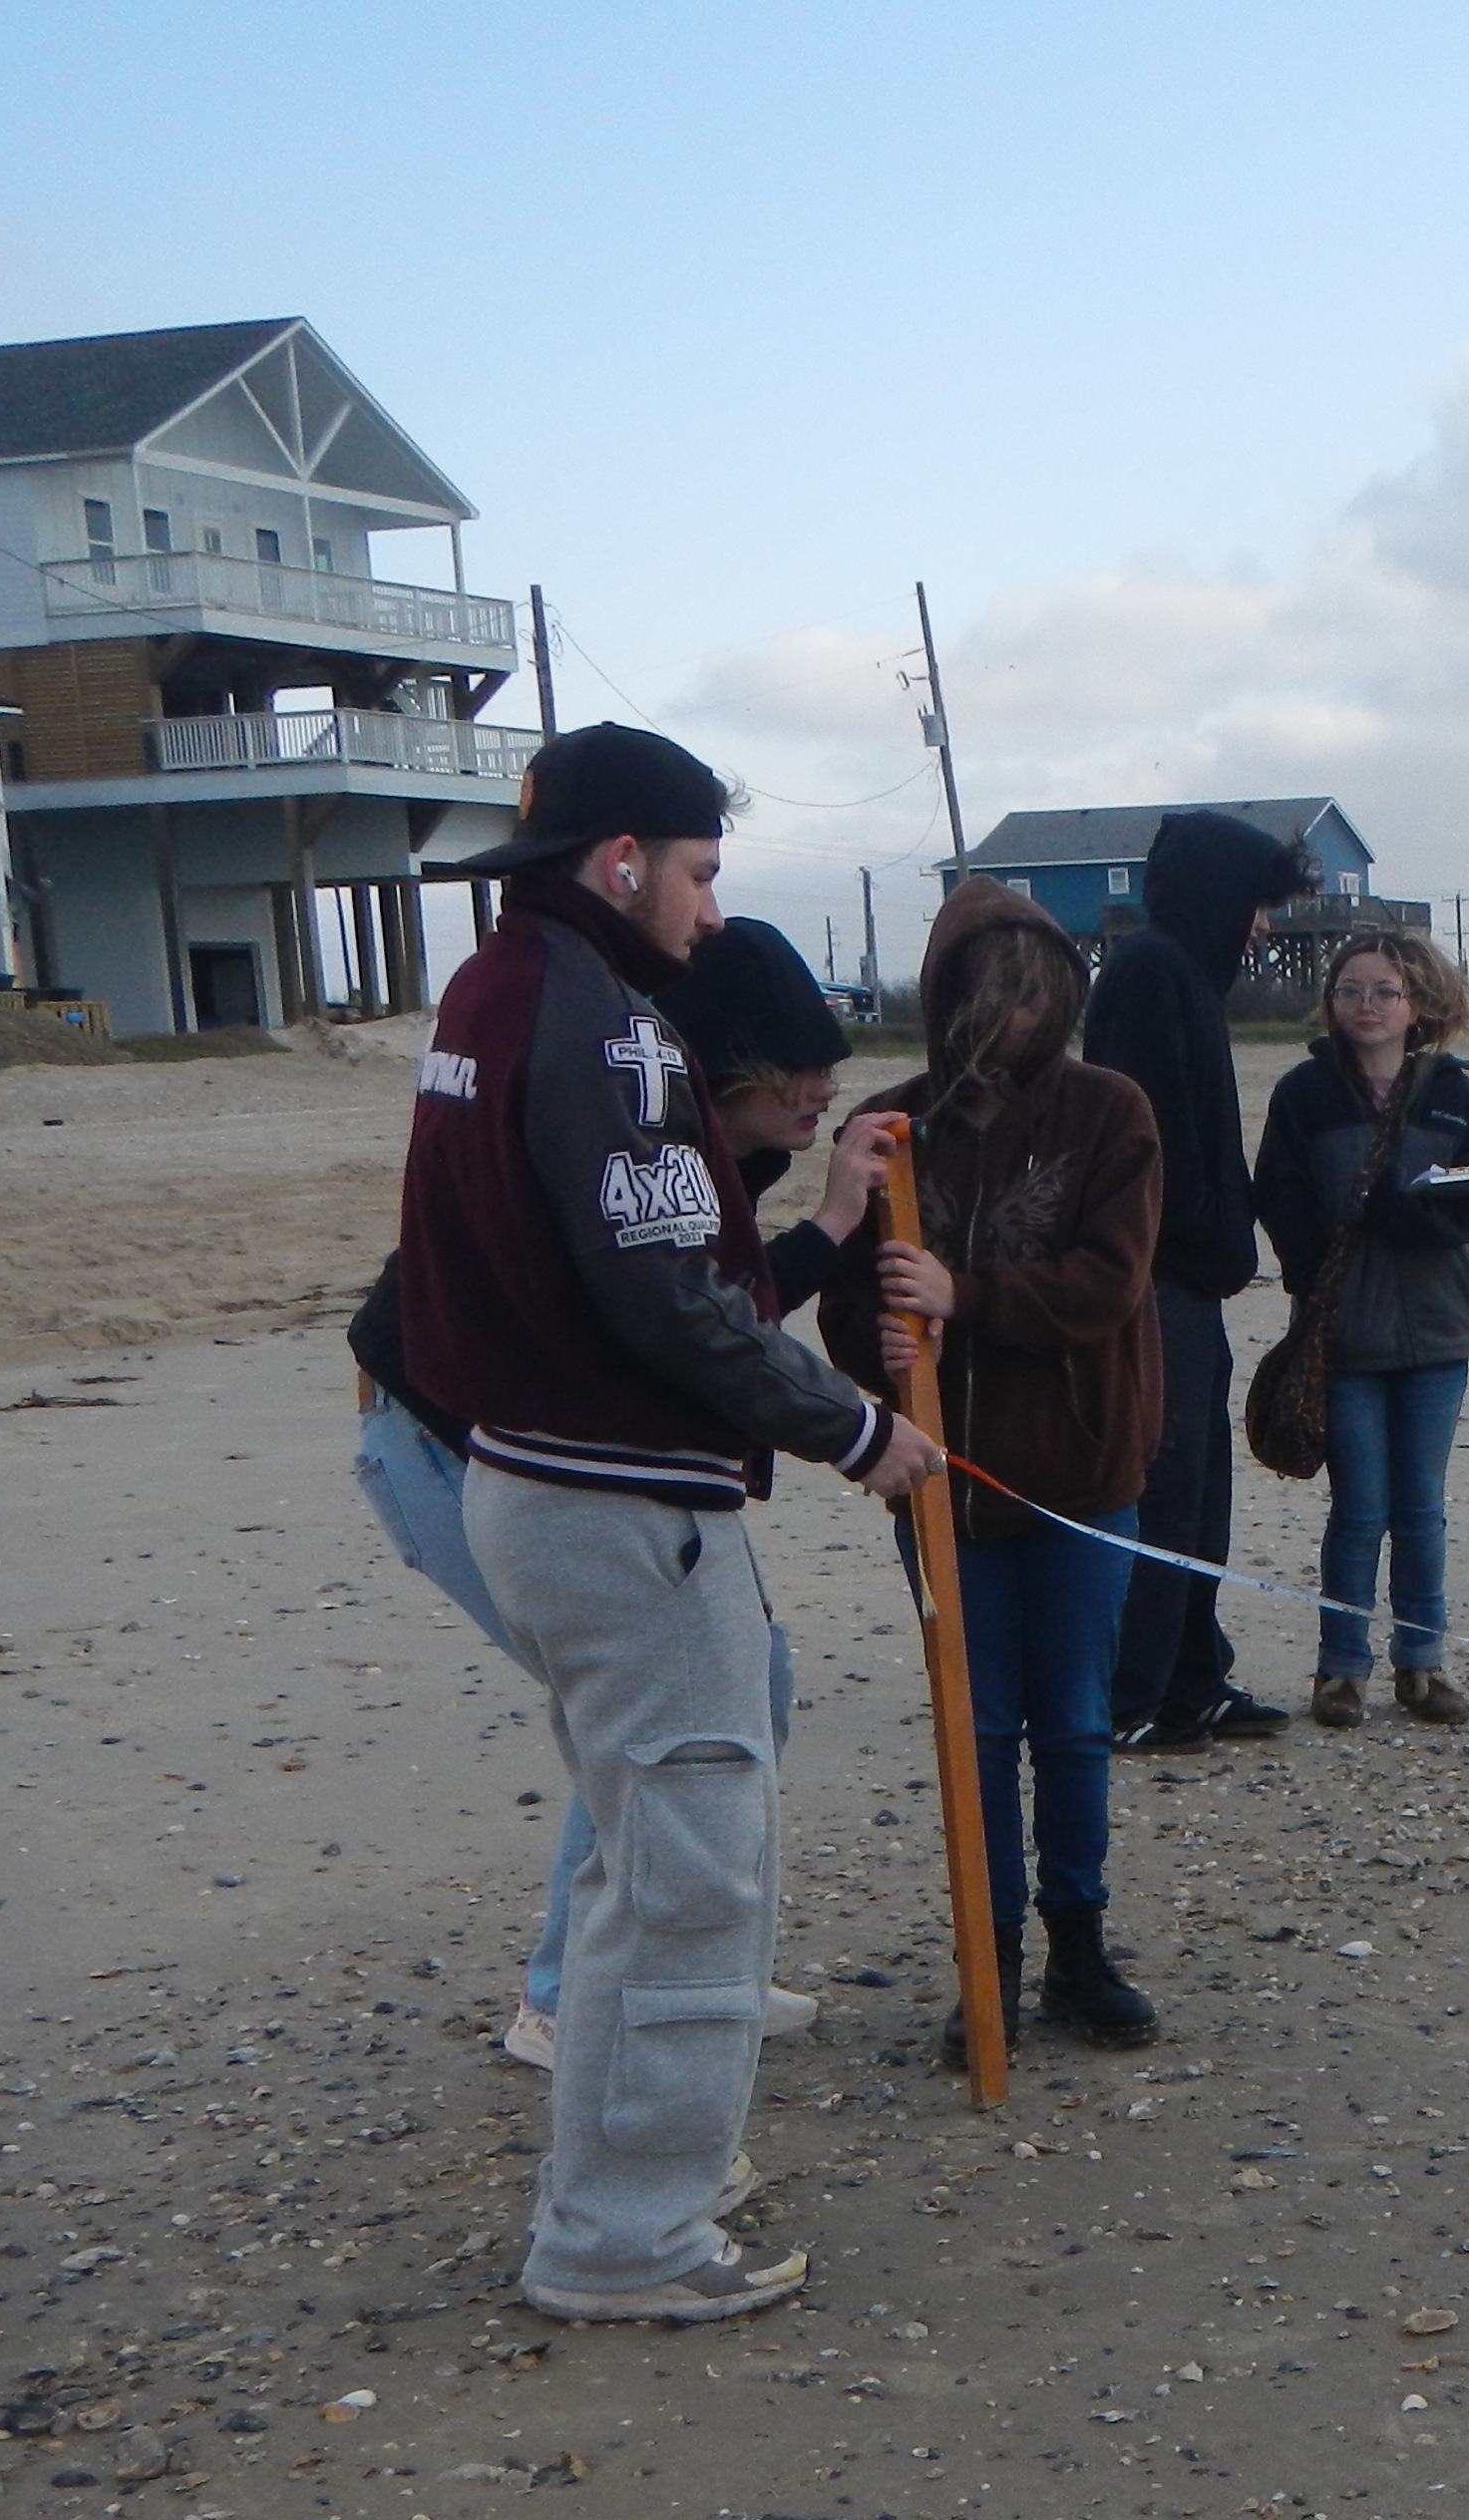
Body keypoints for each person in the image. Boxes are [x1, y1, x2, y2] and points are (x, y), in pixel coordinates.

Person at [386, 724, 940, 2327]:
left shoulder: (488, 992)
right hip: (618, 1505)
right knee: (694, 1871)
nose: (709, 913)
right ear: (620, 862)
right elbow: (673, 1296)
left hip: (526, 1478)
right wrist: (850, 1429)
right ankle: (628, 2238)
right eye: (699, 873)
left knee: (645, 1861)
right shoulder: (609, 1026)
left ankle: (612, 2206)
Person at [348, 916, 871, 2069]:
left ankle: (683, 1972)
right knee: (640, 1718)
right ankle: (567, 1994)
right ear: (734, 1058)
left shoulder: (723, 1150)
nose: (829, 1083)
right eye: (806, 1060)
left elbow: (717, 1313)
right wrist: (859, 1425)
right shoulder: (615, 1128)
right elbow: (681, 1329)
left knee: (732, 1684)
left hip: (504, 1451)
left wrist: (830, 1222)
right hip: (446, 1447)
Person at [819, 877, 1167, 2054]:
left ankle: (1077, 1947)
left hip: (1078, 1461)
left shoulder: (1111, 1111)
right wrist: (879, 1337)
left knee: (1072, 1719)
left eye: (1036, 997)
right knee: (977, 1725)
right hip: (941, 1474)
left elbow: (1108, 1283)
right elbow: (844, 1305)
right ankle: (990, 1957)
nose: (1015, 1021)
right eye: (992, 996)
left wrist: (969, 1293)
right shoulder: (892, 1125)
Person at [1093, 810, 1322, 1753]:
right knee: (1165, 1480)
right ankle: (1135, 1694)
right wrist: (1205, 1239)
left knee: (1202, 1489)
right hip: (1155, 1279)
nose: (1263, 925)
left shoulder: (1185, 976)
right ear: (1220, 900)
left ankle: (1195, 1675)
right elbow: (1149, 1145)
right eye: (1257, 907)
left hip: (1192, 1279)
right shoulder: (1149, 973)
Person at [1252, 927, 1469, 1727]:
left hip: (1436, 1330)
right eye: (1351, 990)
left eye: (1384, 992)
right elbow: (1280, 1199)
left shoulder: (1452, 1091)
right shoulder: (1304, 1093)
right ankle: (1340, 1669)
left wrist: (1412, 1217)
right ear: (1331, 1002)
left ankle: (1423, 1665)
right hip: (1344, 1337)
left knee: (1421, 1506)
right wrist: (1315, 1275)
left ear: (1419, 1006)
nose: (1367, 1005)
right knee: (1360, 1506)